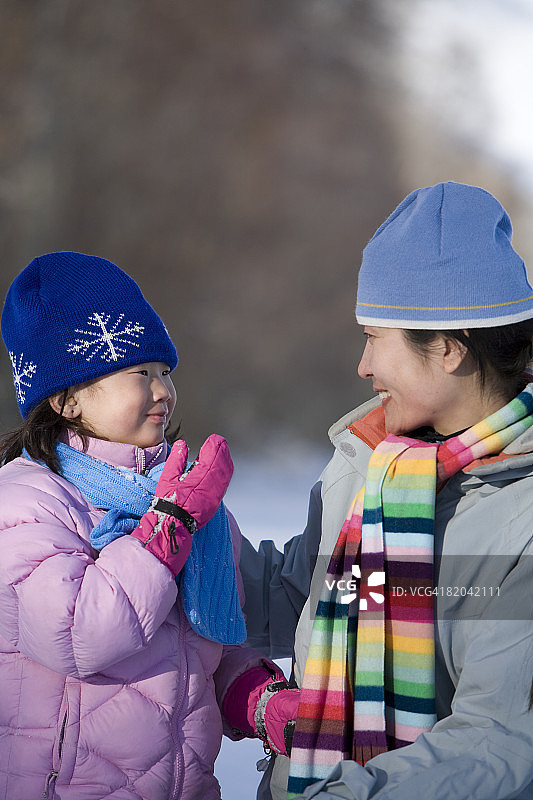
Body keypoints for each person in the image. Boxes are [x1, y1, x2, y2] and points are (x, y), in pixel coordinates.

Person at [239, 182, 533, 800]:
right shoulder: (373, 467)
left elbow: (498, 741)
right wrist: (181, 527)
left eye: (376, 337)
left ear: (449, 348)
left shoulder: (521, 515)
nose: (363, 366)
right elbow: (295, 594)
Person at [0, 251, 299, 800]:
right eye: (140, 373)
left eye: (165, 371)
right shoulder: (26, 501)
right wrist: (168, 527)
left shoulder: (182, 497)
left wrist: (256, 695)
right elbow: (77, 633)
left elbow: (209, 635)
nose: (163, 390)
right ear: (66, 398)